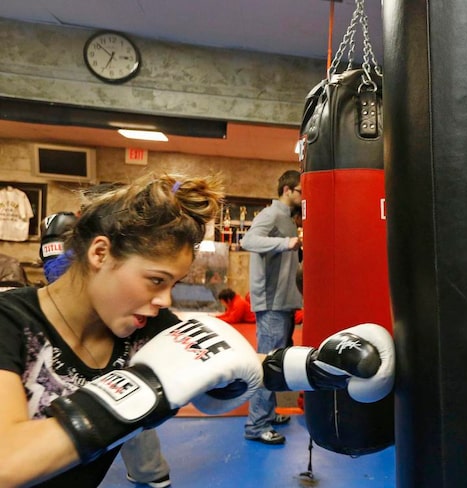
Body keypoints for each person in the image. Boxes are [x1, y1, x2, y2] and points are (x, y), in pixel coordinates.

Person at [0, 173, 395, 487]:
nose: (165, 301)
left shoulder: (142, 325)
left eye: (172, 284)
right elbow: (7, 461)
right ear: (100, 253)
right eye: (156, 280)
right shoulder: (10, 322)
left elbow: (232, 361)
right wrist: (140, 391)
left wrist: (318, 367)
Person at [40, 203, 173, 488]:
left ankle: (149, 472)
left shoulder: (125, 254)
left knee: (135, 396)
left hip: (118, 338)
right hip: (73, 335)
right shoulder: (66, 235)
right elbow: (58, 279)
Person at [239, 169, 303, 445]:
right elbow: (248, 240)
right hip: (272, 303)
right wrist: (286, 243)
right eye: (301, 191)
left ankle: (268, 414)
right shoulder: (271, 214)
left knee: (275, 362)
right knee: (266, 364)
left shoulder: (288, 219)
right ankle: (256, 425)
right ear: (288, 190)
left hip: (285, 303)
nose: (304, 196)